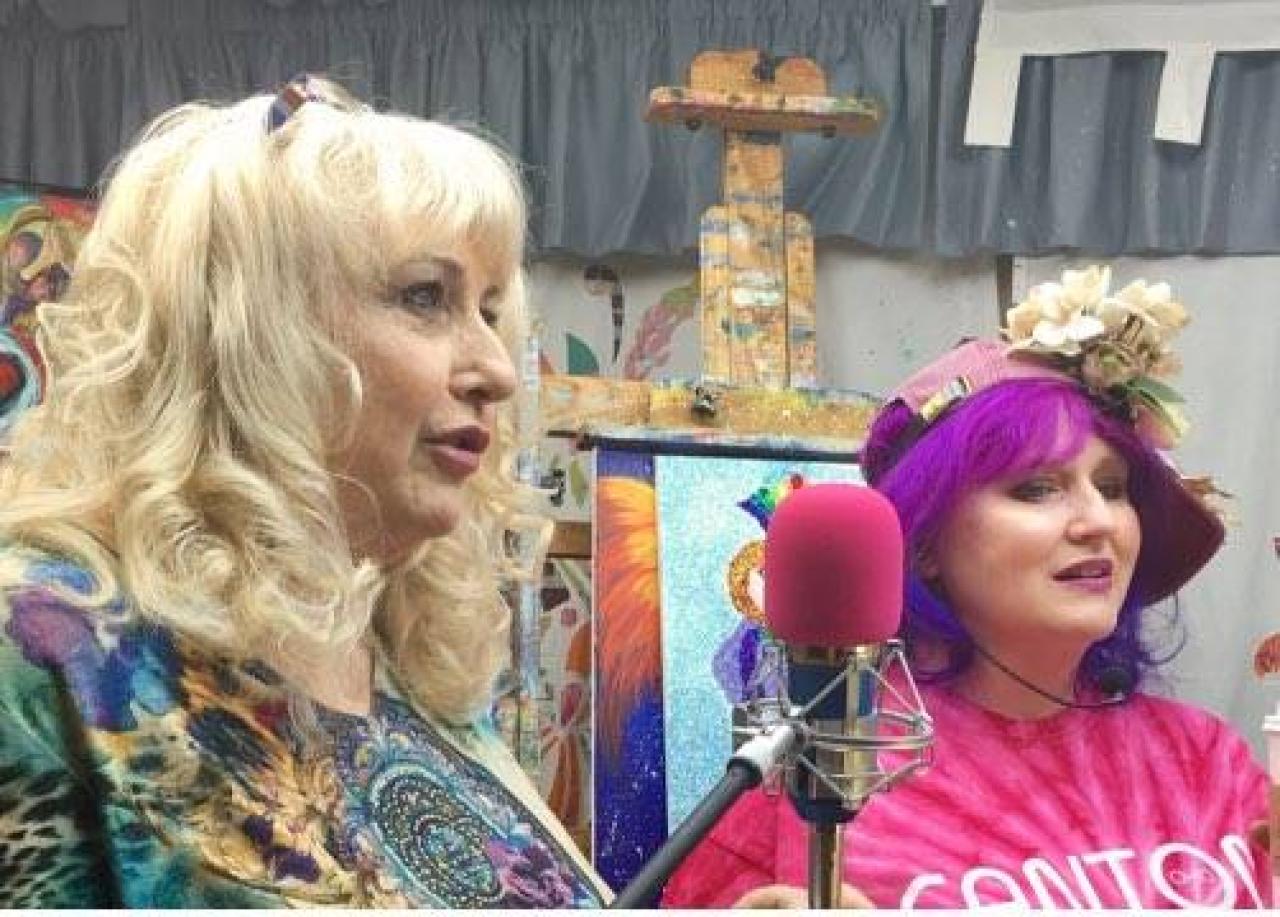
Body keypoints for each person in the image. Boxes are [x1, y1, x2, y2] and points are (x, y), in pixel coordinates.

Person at [0, 74, 611, 908]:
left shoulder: (412, 672)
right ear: (251, 329)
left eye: (491, 310)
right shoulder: (44, 644)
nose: (498, 370)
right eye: (426, 297)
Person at [662, 265, 1271, 909]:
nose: (1098, 521)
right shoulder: (819, 779)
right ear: (925, 544)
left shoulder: (1206, 760)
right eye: (1036, 488)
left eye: (1113, 487)